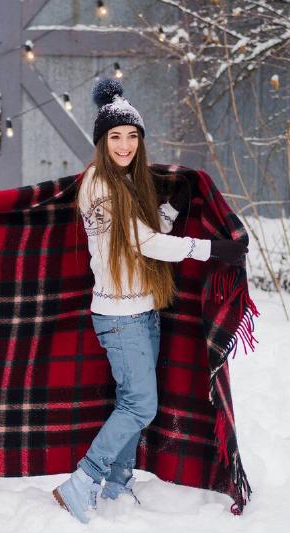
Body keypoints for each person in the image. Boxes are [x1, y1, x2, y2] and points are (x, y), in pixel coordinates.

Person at [51, 79, 247, 523]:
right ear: (102, 142)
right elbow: (143, 242)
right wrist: (210, 249)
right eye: (115, 137)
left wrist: (174, 210)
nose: (124, 145)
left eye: (132, 136)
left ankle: (118, 485)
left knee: (130, 401)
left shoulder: (125, 182)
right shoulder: (99, 185)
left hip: (143, 308)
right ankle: (82, 482)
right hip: (119, 314)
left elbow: (142, 229)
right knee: (141, 405)